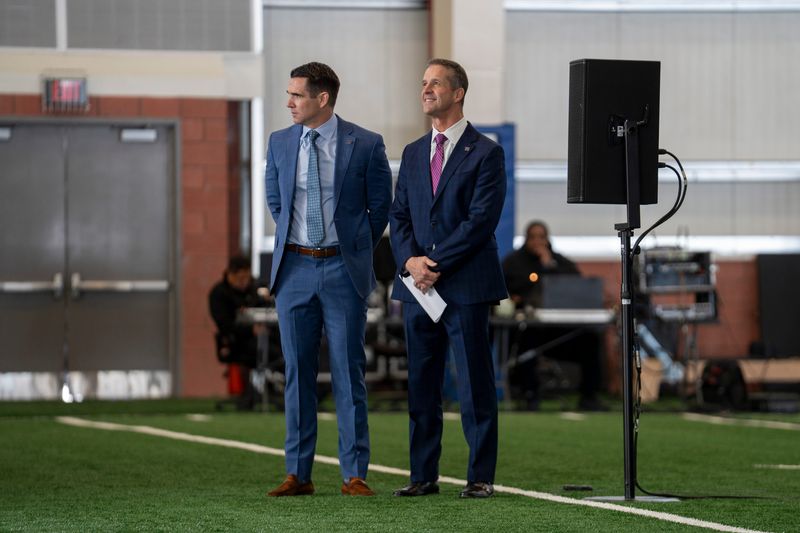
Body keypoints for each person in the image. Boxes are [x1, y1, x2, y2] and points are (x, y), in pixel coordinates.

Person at [264, 62, 392, 497]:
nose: (289, 102)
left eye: (296, 95)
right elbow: (276, 201)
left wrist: (352, 247)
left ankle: (354, 473)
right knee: (297, 373)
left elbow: (381, 206)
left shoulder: (366, 143)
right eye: (289, 94)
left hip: (343, 269)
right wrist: (299, 242)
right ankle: (298, 474)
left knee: (348, 372)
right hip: (294, 269)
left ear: (322, 99)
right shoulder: (279, 142)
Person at [389, 58, 507, 499]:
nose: (426, 89)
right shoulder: (413, 152)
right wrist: (410, 262)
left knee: (474, 384)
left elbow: (480, 222)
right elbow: (399, 216)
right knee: (422, 383)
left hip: (464, 285)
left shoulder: (487, 152)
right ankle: (423, 475)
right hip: (418, 288)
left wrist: (432, 264)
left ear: (458, 93)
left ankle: (480, 477)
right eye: (424, 82)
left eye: (435, 83)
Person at [501, 220, 606, 411]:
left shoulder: (559, 261)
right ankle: (530, 396)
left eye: (541, 237)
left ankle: (589, 396)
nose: (537, 242)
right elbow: (510, 289)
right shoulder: (513, 262)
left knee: (590, 340)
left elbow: (575, 282)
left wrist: (549, 264)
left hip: (558, 328)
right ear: (526, 239)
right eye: (533, 237)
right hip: (529, 327)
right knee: (526, 344)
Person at [208, 254, 265, 369]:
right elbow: (224, 324)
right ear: (230, 275)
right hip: (235, 342)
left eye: (247, 278)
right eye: (241, 278)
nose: (244, 282)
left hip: (259, 338)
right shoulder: (219, 293)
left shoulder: (251, 289)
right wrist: (251, 330)